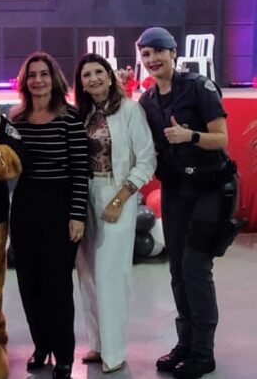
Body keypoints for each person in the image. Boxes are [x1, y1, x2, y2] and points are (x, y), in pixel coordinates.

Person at [137, 27, 238, 379]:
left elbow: (222, 139)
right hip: (176, 190)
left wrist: (189, 136)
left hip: (212, 188)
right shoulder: (147, 101)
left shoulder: (199, 87)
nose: (152, 59)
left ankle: (203, 353)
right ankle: (186, 343)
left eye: (158, 51)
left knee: (195, 268)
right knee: (177, 270)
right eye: (146, 54)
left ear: (173, 53)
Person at [73, 53, 156, 373]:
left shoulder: (130, 111)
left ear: (110, 77)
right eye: (86, 74)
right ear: (81, 83)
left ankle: (115, 351)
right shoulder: (82, 114)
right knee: (88, 275)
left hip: (117, 192)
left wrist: (119, 200)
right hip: (85, 193)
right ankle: (98, 344)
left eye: (99, 71)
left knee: (111, 276)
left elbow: (146, 160)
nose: (93, 78)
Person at [8, 51, 89, 379]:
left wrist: (77, 215)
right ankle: (41, 346)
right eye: (32, 75)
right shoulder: (16, 119)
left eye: (43, 74)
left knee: (57, 286)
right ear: (24, 81)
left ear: (53, 78)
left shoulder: (69, 117)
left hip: (60, 205)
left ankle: (64, 354)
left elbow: (80, 169)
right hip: (25, 205)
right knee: (29, 284)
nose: (37, 80)